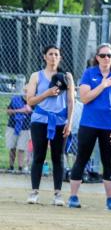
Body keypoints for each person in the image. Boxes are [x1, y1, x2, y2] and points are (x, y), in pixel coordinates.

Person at [68, 43, 111, 210]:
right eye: (102, 55)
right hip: (89, 124)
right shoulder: (89, 73)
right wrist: (103, 85)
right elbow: (84, 98)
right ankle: (73, 196)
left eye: (109, 55)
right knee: (82, 158)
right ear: (97, 58)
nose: (106, 58)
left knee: (108, 161)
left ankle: (110, 199)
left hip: (109, 126)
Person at [25, 45, 74, 205]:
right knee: (39, 155)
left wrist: (70, 122)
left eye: (56, 54)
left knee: (58, 157)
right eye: (50, 54)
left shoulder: (67, 76)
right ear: (44, 57)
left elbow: (70, 101)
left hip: (60, 121)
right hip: (40, 119)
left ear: (60, 57)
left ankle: (58, 194)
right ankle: (34, 192)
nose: (53, 57)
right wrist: (47, 93)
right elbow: (30, 100)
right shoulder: (36, 76)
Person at [7, 92, 32, 172]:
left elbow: (33, 111)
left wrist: (29, 110)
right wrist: (21, 110)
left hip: (25, 128)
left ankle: (20, 168)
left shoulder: (32, 101)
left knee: (22, 148)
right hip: (12, 126)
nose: (26, 93)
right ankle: (11, 167)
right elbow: (8, 111)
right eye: (25, 90)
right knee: (12, 147)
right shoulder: (15, 99)